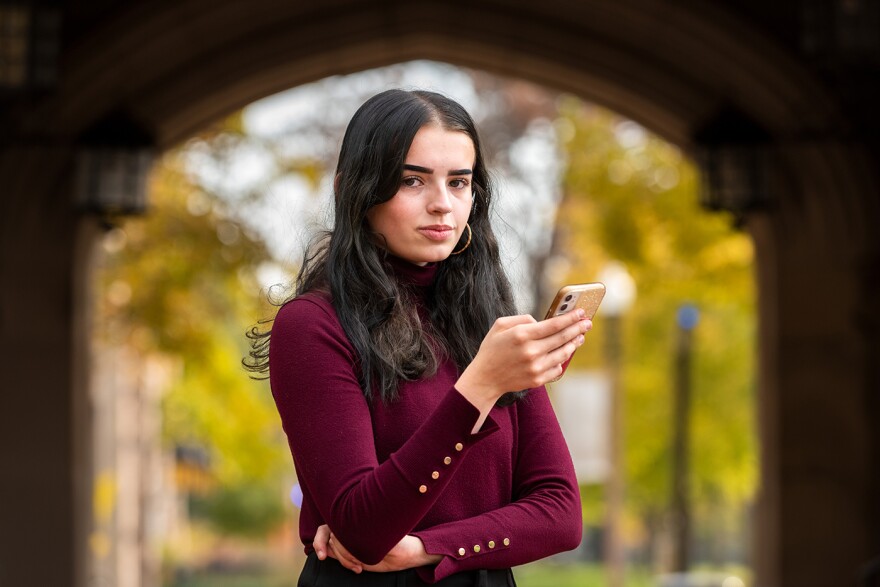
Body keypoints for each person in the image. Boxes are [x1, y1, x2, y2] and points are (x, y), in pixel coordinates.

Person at [246, 89, 592, 586]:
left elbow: (561, 513)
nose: (442, 205)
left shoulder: (486, 321)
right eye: (413, 181)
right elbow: (363, 528)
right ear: (356, 191)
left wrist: (427, 548)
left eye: (459, 182)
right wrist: (478, 389)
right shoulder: (313, 325)